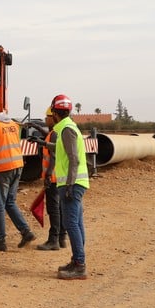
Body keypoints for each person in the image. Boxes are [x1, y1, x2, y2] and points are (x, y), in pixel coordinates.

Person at [0, 95, 35, 251]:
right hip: (17, 166)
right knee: (9, 202)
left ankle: (0, 241)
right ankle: (26, 232)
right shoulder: (12, 123)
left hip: (3, 169)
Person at [49, 94, 90, 280]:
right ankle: (77, 260)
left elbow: (74, 159)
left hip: (71, 184)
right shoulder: (68, 128)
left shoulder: (66, 129)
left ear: (54, 112)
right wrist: (45, 144)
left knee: (71, 223)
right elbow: (65, 152)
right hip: (75, 183)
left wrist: (70, 185)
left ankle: (79, 265)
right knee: (76, 223)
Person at [36, 106, 67, 251]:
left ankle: (53, 240)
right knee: (59, 208)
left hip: (53, 178)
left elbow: (53, 157)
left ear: (53, 118)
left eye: (46, 117)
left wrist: (48, 175)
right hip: (58, 178)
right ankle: (61, 238)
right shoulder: (56, 132)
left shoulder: (54, 134)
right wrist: (36, 127)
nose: (45, 120)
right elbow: (48, 136)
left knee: (53, 209)